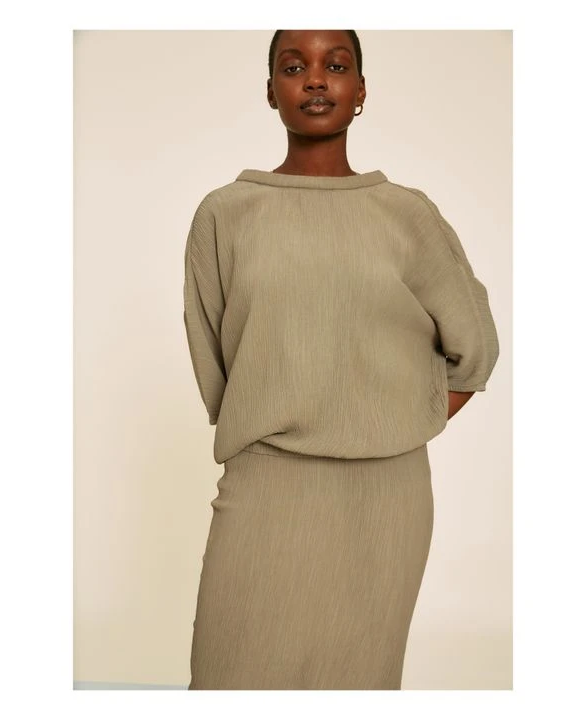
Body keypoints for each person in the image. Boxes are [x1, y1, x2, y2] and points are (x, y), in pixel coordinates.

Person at [183, 29, 500, 690]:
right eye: (293, 66)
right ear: (271, 90)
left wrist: (390, 424)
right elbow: (216, 360)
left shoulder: (406, 215)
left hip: (384, 500)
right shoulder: (226, 215)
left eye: (336, 64)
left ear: (360, 90)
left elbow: (475, 349)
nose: (316, 79)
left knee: (358, 682)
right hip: (265, 483)